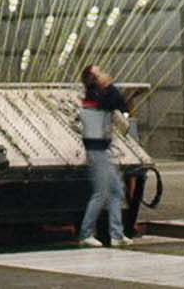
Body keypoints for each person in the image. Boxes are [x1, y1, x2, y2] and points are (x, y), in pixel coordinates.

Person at [76, 63, 132, 248]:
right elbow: (112, 102)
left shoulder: (102, 94)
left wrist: (109, 87)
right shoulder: (93, 96)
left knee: (116, 190)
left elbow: (120, 103)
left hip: (102, 149)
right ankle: (85, 233)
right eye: (99, 73)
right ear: (93, 79)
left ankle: (116, 234)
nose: (104, 74)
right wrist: (108, 87)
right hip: (96, 150)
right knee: (101, 192)